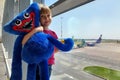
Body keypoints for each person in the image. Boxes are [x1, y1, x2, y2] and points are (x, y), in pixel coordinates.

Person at [22, 3, 58, 80]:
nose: (46, 18)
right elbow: (23, 41)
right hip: (35, 64)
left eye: (48, 16)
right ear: (38, 18)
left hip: (48, 64)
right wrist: (35, 31)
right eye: (43, 16)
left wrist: (59, 47)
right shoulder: (36, 32)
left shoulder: (53, 34)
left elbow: (55, 50)